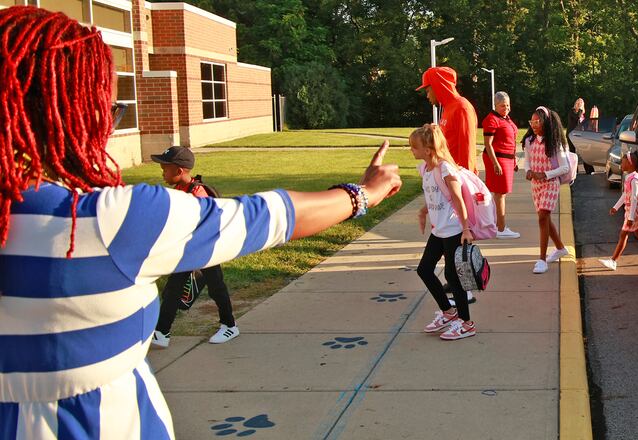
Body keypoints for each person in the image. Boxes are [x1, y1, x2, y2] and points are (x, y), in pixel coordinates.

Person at [0, 6, 402, 438]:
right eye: (110, 109)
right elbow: (269, 216)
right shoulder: (107, 220)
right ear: (80, 111)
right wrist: (365, 193)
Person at [149, 146, 239, 347]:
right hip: (189, 251)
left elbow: (208, 223)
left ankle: (230, 325)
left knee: (216, 287)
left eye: (165, 168)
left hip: (206, 250)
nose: (162, 172)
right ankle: (162, 333)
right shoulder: (180, 190)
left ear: (179, 171)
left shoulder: (198, 194)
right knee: (172, 289)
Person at [416, 66, 478, 304]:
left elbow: (464, 152)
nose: (426, 94)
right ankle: (457, 285)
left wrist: (457, 189)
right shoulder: (447, 109)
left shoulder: (461, 108)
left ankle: (465, 291)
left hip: (454, 187)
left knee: (456, 248)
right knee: (448, 250)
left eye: (428, 88)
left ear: (439, 86)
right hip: (445, 187)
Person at [412, 124, 476, 340]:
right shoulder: (425, 169)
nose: (411, 150)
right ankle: (449, 313)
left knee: (452, 276)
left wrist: (466, 229)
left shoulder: (445, 168)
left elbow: (457, 199)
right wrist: (423, 211)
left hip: (454, 230)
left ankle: (467, 323)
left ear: (428, 150)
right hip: (439, 231)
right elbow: (434, 197)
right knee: (424, 270)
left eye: (414, 147)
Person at [522, 107, 570, 274]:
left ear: (546, 122)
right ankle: (560, 248)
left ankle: (542, 259)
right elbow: (526, 161)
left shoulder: (555, 142)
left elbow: (564, 167)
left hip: (551, 183)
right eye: (532, 122)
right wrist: (527, 171)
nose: (534, 125)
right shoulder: (529, 140)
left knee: (543, 216)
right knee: (545, 218)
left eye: (537, 121)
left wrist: (545, 174)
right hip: (536, 184)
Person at [598, 150, 638, 271]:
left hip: (633, 213)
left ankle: (613, 261)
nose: (622, 163)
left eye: (624, 161)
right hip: (631, 211)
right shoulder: (630, 178)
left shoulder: (634, 179)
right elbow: (626, 194)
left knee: (623, 234)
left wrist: (631, 218)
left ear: (631, 164)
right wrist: (616, 207)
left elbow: (635, 199)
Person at [416, 66, 478, 174]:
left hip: (457, 178)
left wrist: (466, 182)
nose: (427, 96)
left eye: (428, 91)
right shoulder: (448, 107)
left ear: (438, 86)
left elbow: (467, 149)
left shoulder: (462, 108)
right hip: (447, 175)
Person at [481, 91, 520, 239]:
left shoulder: (505, 118)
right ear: (495, 105)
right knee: (500, 194)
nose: (506, 108)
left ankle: (498, 225)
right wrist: (495, 163)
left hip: (507, 158)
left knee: (501, 193)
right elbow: (488, 144)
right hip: (497, 158)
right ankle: (501, 229)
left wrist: (514, 159)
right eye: (503, 105)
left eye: (508, 105)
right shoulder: (491, 120)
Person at [567, 98, 594, 174]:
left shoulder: (582, 114)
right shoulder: (572, 111)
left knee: (584, 151)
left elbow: (582, 124)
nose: (579, 105)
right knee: (572, 153)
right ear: (575, 104)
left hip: (580, 135)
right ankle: (574, 171)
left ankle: (589, 170)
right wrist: (580, 110)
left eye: (581, 103)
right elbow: (577, 118)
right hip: (572, 135)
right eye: (578, 103)